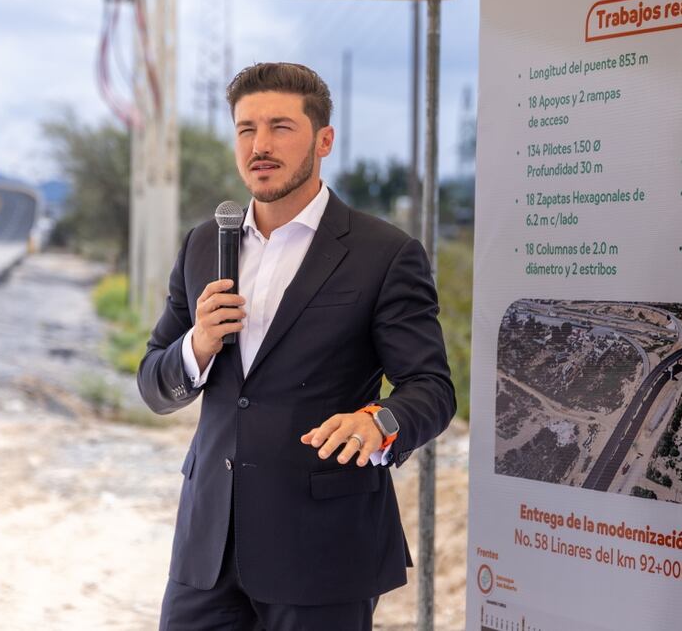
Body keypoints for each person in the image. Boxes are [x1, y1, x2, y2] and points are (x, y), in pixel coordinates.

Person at [137, 62, 455, 630]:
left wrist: (380, 423)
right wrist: (198, 345)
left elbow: (431, 388)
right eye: (245, 128)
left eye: (280, 127)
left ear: (323, 140)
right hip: (207, 548)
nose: (259, 145)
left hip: (324, 549)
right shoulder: (204, 244)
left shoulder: (384, 253)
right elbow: (154, 382)